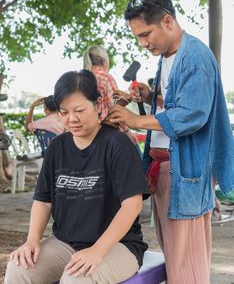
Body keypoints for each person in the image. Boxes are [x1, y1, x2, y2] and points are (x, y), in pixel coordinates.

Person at [108, 0, 234, 284]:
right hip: (165, 170)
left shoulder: (196, 58)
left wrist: (136, 119)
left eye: (145, 34)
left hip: (184, 174)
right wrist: (152, 95)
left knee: (185, 266)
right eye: (138, 36)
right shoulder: (167, 56)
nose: (143, 43)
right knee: (176, 259)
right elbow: (179, 102)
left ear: (167, 21)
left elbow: (192, 114)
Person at [5, 69, 149, 284]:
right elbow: (43, 201)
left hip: (118, 245)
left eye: (79, 110)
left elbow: (132, 205)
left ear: (98, 104)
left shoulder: (117, 145)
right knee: (19, 269)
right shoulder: (57, 147)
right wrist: (32, 240)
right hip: (66, 243)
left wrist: (97, 251)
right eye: (64, 112)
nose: (72, 119)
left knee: (76, 279)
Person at [83, 45, 141, 155]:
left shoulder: (82, 79)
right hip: (107, 133)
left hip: (88, 135)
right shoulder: (105, 77)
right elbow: (116, 109)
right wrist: (127, 131)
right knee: (138, 155)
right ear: (105, 61)